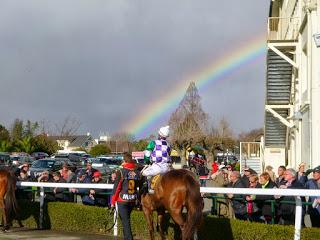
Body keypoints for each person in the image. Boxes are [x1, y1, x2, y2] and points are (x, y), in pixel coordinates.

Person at [111, 153, 140, 240]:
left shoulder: (120, 171)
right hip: (132, 200)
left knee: (125, 222)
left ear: (124, 161)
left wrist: (112, 202)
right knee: (125, 221)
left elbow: (116, 188)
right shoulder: (137, 172)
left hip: (122, 200)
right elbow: (138, 187)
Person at [142, 125, 171, 193]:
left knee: (143, 173)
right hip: (166, 168)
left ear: (159, 134)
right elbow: (168, 155)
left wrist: (147, 161)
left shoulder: (153, 143)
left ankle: (149, 189)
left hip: (156, 167)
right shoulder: (169, 144)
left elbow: (147, 154)